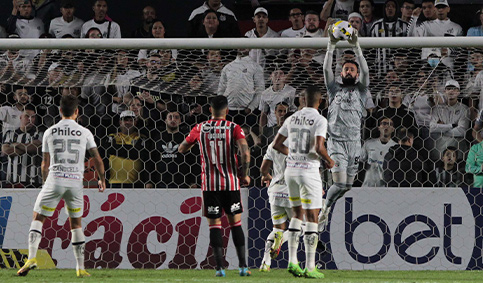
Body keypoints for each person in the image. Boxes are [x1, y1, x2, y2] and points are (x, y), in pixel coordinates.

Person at [16, 94, 106, 278]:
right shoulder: (85, 132)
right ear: (77, 112)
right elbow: (97, 158)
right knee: (76, 224)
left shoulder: (50, 131)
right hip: (75, 182)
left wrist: (44, 183)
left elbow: (44, 164)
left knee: (38, 218)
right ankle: (80, 268)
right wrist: (102, 179)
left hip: (55, 180)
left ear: (59, 111)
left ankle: (32, 257)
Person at [178, 95, 251, 277]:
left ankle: (219, 269)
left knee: (215, 226)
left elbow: (181, 148)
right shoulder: (234, 127)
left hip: (210, 185)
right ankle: (243, 267)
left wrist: (196, 144)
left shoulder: (199, 128)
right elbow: (245, 151)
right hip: (231, 183)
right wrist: (246, 174)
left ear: (210, 110)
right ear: (227, 110)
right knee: (236, 224)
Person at [272, 85, 333, 279]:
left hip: (291, 172)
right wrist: (330, 161)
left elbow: (276, 144)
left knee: (296, 214)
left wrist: (293, 155)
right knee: (312, 218)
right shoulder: (320, 119)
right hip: (309, 172)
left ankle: (292, 261)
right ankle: (310, 266)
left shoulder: (291, 118)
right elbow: (319, 146)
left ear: (303, 100)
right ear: (320, 101)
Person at [320, 25, 369, 224]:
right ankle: (325, 207)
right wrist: (330, 46)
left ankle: (326, 207)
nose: (348, 71)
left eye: (351, 69)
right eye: (345, 69)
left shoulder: (362, 90)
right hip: (336, 143)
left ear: (356, 75)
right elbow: (325, 69)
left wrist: (357, 47)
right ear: (341, 73)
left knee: (347, 186)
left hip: (354, 144)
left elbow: (366, 70)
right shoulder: (334, 90)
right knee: (339, 183)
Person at [259, 123, 293, 272]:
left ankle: (265, 263)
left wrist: (267, 176)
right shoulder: (299, 145)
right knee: (304, 226)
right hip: (293, 191)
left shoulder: (273, 144)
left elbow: (263, 169)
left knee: (277, 229)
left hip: (276, 191)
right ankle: (282, 240)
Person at [102, 110, 154, 188]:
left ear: (135, 123)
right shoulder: (112, 136)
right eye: (125, 120)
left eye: (131, 120)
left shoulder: (141, 137)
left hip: (136, 184)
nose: (128, 122)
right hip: (114, 182)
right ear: (120, 122)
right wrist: (132, 150)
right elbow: (108, 149)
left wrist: (116, 149)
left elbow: (139, 154)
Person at [1, 105, 43, 188]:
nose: (30, 119)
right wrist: (28, 147)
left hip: (33, 180)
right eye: (27, 116)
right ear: (20, 117)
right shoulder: (10, 133)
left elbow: (36, 148)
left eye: (33, 117)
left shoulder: (39, 134)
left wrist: (17, 144)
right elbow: (6, 151)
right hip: (12, 180)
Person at [156, 111, 200, 188]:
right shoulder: (158, 138)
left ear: (180, 121)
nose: (173, 119)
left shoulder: (187, 138)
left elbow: (194, 160)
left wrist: (194, 181)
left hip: (183, 183)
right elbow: (153, 159)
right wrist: (150, 181)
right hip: (162, 183)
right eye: (170, 117)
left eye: (176, 117)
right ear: (165, 120)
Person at [429, 79, 470, 162]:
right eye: (448, 89)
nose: (451, 91)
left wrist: (441, 129)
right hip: (439, 150)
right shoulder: (437, 109)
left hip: (458, 151)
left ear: (458, 92)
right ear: (444, 91)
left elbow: (462, 131)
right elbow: (432, 128)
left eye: (454, 89)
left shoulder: (464, 109)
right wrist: (452, 126)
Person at [369, 0, 408, 77]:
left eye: (393, 6)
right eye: (388, 6)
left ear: (397, 9)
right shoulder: (376, 25)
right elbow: (371, 50)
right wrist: (371, 69)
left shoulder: (404, 25)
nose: (390, 8)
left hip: (400, 70)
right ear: (384, 9)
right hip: (380, 69)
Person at [259, 66, 296, 139]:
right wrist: (261, 133)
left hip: (287, 127)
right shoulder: (265, 94)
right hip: (272, 128)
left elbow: (293, 111)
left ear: (284, 77)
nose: (278, 76)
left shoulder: (292, 91)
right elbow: (263, 115)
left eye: (281, 74)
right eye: (275, 74)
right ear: (270, 76)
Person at [360, 117, 397, 187]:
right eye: (384, 123)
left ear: (393, 129)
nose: (387, 126)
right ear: (379, 128)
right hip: (368, 184)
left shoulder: (395, 147)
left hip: (385, 186)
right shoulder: (369, 143)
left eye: (390, 124)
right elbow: (360, 160)